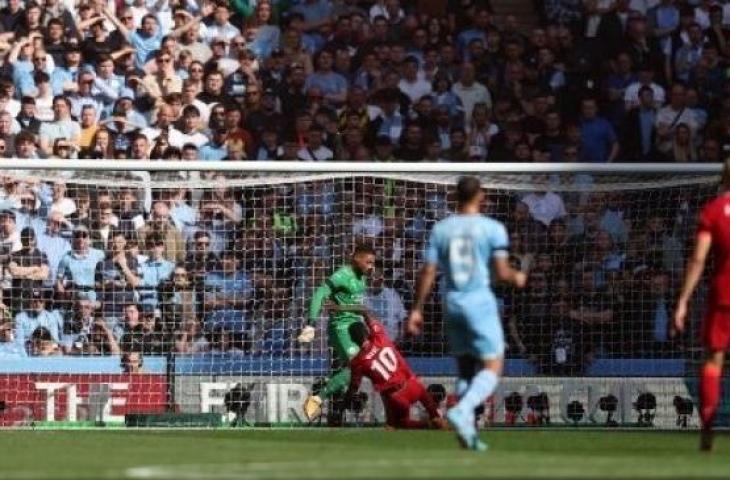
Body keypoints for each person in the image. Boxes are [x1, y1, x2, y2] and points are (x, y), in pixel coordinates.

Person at [407, 176, 527, 451]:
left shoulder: (442, 229)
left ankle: (468, 435)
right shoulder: (493, 228)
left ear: (454, 197)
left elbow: (428, 270)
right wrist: (517, 276)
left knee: (465, 370)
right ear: (480, 196)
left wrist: (416, 309)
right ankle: (463, 410)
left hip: (451, 302)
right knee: (493, 366)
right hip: (479, 301)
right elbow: (501, 272)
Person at [673, 159, 730, 452]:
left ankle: (708, 418)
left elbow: (698, 259)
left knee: (714, 360)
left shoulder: (714, 210)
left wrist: (682, 300)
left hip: (723, 294)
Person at [297, 243, 376, 421]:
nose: (372, 267)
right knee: (357, 367)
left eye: (373, 263)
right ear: (356, 259)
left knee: (353, 371)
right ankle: (316, 399)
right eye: (368, 262)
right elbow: (320, 293)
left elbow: (358, 307)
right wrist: (311, 324)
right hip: (341, 328)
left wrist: (347, 308)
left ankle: (336, 411)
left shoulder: (361, 278)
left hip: (357, 327)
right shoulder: (342, 275)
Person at [348, 313, 446, 430]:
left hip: (397, 397)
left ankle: (428, 425)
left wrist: (347, 399)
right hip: (413, 385)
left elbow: (354, 386)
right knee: (434, 413)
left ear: (352, 339)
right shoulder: (380, 336)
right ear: (367, 332)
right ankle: (438, 419)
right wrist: (359, 310)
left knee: (400, 423)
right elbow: (369, 314)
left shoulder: (357, 362)